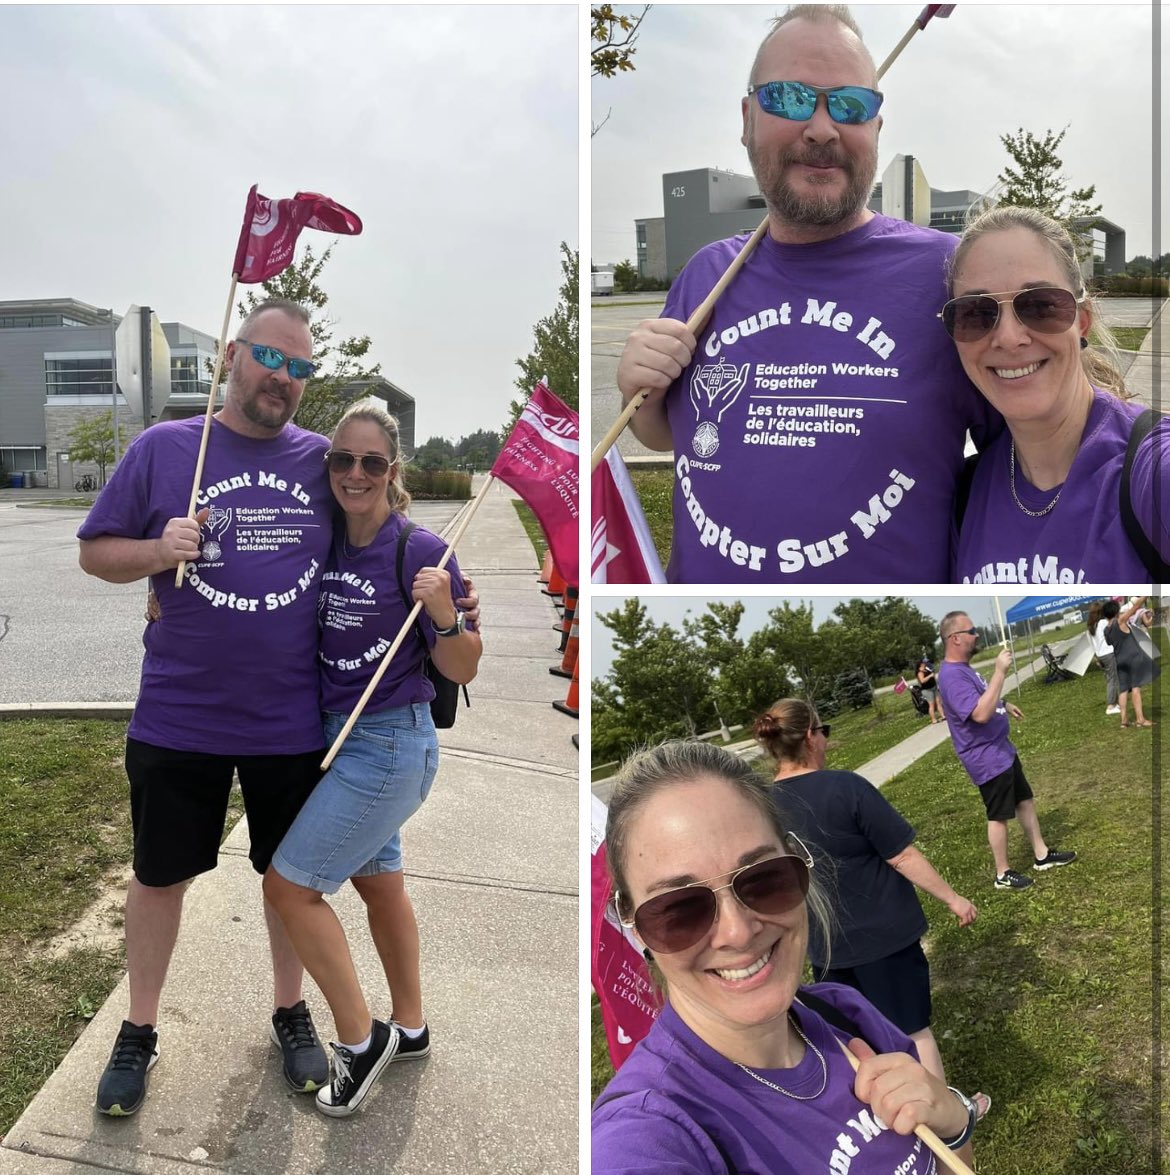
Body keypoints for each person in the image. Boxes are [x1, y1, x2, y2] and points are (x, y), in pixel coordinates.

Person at [612, 4, 997, 583]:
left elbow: (1031, 450)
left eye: (850, 105)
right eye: (790, 99)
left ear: (876, 129)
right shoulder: (706, 275)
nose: (822, 128)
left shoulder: (949, 275)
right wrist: (633, 393)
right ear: (747, 119)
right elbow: (665, 429)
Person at [78, 300, 336, 1114]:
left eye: (300, 368)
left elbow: (380, 542)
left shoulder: (325, 462)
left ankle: (290, 1011)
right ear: (232, 353)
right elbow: (94, 551)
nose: (283, 379)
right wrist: (159, 552)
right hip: (179, 716)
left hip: (288, 720)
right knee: (159, 878)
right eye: (270, 358)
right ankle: (139, 1029)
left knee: (289, 881)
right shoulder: (165, 450)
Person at [592, 741, 981, 1172]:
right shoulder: (653, 1129)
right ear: (632, 922)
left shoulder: (844, 1014)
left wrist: (952, 1119)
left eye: (763, 879)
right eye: (681, 909)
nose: (738, 932)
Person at [262, 403, 482, 1117]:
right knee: (379, 885)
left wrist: (446, 614)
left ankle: (359, 1041)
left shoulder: (420, 550)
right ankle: (410, 1026)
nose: (355, 474)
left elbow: (465, 665)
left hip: (388, 744)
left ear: (394, 472)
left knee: (288, 887)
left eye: (371, 462)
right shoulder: (325, 541)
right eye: (342, 460)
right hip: (337, 735)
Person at [756, 699, 977, 1088]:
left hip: (824, 946)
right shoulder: (846, 787)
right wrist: (953, 899)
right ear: (810, 736)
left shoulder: (762, 808)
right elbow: (902, 855)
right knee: (912, 1031)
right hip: (884, 938)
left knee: (860, 1042)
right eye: (823, 731)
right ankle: (945, 1122)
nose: (825, 740)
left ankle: (893, 1125)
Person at [943, 205, 1169, 583]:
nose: (1009, 338)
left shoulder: (1150, 471)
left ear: (1082, 321)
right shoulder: (965, 494)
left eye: (1040, 305)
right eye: (976, 314)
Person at [936, 612, 1076, 890]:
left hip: (1002, 750)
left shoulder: (964, 669)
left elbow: (984, 697)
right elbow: (979, 714)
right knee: (998, 815)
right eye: (972, 630)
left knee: (1024, 800)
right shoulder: (951, 676)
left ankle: (1042, 855)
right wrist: (1000, 671)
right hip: (985, 757)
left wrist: (1005, 702)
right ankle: (1002, 873)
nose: (977, 635)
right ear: (955, 638)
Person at [1103, 597, 1159, 728]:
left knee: (1123, 690)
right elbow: (1135, 608)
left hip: (1119, 660)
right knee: (1135, 688)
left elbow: (1109, 642)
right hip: (1133, 658)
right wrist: (1145, 595)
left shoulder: (1106, 629)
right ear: (1116, 611)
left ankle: (1124, 721)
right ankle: (1140, 719)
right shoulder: (1120, 620)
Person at [1087, 601, 1121, 715]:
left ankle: (1115, 703)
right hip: (1109, 653)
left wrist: (1097, 658)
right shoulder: (1103, 622)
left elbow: (1092, 646)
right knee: (1113, 679)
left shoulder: (1090, 627)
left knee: (1109, 679)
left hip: (1100, 655)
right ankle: (1111, 706)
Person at [916, 658, 945, 723]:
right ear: (920, 664)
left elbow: (933, 675)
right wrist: (930, 676)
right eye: (923, 663)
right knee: (931, 704)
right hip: (927, 690)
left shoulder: (926, 669)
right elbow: (922, 681)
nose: (925, 664)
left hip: (933, 687)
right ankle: (933, 719)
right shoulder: (920, 672)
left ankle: (943, 716)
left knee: (938, 702)